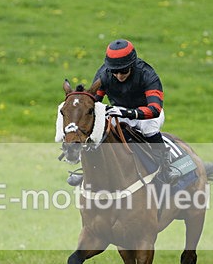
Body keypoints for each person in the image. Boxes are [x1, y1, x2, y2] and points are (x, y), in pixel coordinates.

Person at [67, 39, 174, 186]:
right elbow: (94, 102)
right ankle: (87, 172)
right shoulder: (104, 74)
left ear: (132, 65)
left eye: (123, 70)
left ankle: (166, 167)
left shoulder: (147, 75)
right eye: (114, 71)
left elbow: (154, 109)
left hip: (146, 114)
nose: (118, 75)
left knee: (149, 129)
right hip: (118, 112)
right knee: (99, 129)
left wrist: (126, 113)